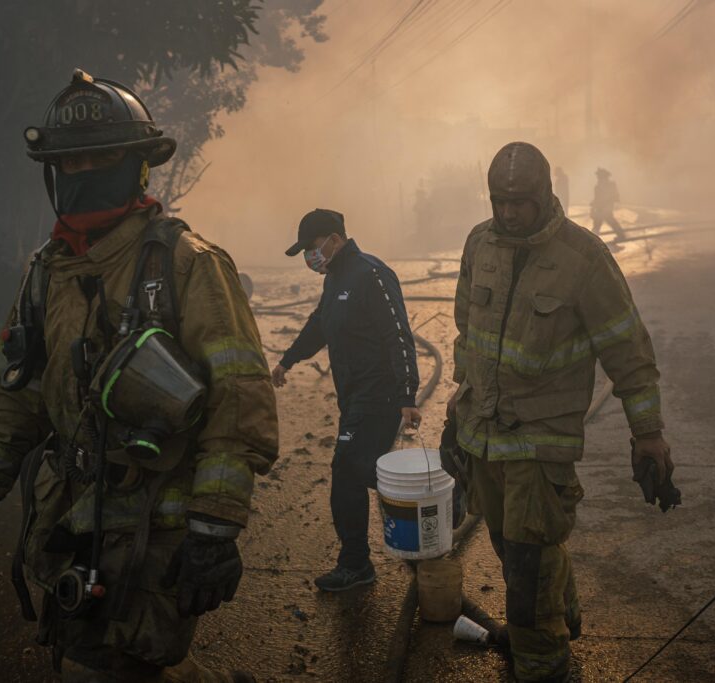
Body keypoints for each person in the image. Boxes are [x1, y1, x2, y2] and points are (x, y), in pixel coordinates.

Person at [0, 69, 278, 683]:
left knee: (116, 666)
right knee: (98, 658)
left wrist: (215, 528)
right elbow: (14, 391)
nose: (84, 170)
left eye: (102, 156)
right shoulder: (47, 271)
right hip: (71, 516)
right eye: (69, 161)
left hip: (159, 523)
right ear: (50, 171)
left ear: (139, 166)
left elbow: (239, 400)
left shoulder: (187, 265)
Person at [450, 142, 673, 682]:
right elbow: (467, 338)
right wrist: (455, 417)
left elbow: (629, 352)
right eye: (499, 201)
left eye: (519, 202)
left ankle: (544, 667)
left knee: (528, 577)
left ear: (546, 194)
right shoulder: (479, 243)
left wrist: (648, 434)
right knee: (512, 550)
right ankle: (563, 610)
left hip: (541, 444)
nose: (508, 212)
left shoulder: (584, 259)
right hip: (483, 436)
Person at [272, 209, 421, 592]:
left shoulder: (372, 274)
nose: (310, 256)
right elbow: (318, 326)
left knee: (347, 471)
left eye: (312, 247)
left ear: (334, 239)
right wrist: (287, 361)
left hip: (380, 395)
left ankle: (355, 564)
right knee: (366, 470)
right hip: (353, 397)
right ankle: (431, 507)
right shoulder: (335, 279)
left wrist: (407, 393)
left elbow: (398, 335)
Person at [590, 167, 626, 239]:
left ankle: (592, 239)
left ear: (604, 177)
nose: (598, 178)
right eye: (598, 176)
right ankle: (592, 238)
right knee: (600, 223)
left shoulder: (610, 185)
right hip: (600, 208)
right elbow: (597, 198)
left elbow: (614, 196)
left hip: (606, 208)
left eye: (599, 176)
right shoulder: (597, 187)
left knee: (606, 221)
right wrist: (593, 204)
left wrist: (606, 203)